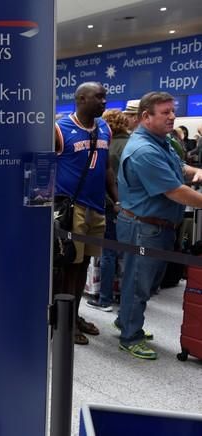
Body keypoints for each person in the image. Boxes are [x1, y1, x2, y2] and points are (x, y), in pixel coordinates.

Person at [115, 91, 202, 360]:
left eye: (172, 111)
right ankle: (130, 335)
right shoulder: (144, 150)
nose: (172, 116)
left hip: (156, 227)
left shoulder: (159, 142)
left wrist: (196, 171)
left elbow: (179, 167)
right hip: (143, 228)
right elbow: (175, 191)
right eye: (165, 113)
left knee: (145, 280)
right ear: (145, 116)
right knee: (138, 283)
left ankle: (126, 320)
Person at [53, 82, 117, 345]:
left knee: (84, 266)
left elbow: (107, 168)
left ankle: (75, 315)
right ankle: (62, 321)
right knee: (69, 265)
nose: (104, 102)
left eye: (105, 97)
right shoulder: (59, 129)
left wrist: (116, 199)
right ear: (81, 99)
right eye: (99, 97)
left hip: (96, 208)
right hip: (72, 208)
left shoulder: (105, 129)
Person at [86, 109, 130, 312]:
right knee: (126, 252)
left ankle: (104, 298)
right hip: (130, 206)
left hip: (112, 204)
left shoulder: (108, 148)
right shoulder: (132, 144)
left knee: (108, 253)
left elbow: (106, 178)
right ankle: (123, 294)